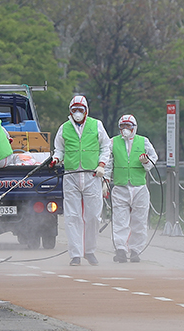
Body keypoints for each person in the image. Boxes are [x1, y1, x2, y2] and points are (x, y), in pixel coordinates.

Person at [51, 96, 110, 266]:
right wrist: (56, 158)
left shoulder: (96, 125)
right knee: (72, 216)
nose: (77, 113)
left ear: (86, 110)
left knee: (93, 216)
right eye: (74, 109)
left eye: (80, 109)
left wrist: (101, 164)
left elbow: (106, 146)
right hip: (71, 175)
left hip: (92, 175)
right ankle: (75, 254)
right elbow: (59, 149)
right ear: (70, 111)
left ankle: (89, 251)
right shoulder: (64, 128)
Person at [104, 115, 158, 263]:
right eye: (123, 127)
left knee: (139, 221)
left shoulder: (143, 141)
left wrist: (146, 161)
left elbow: (153, 158)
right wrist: (105, 181)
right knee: (120, 220)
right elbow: (108, 163)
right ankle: (120, 249)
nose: (126, 130)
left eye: (129, 126)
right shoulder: (113, 142)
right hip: (120, 186)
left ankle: (135, 250)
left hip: (139, 187)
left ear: (135, 127)